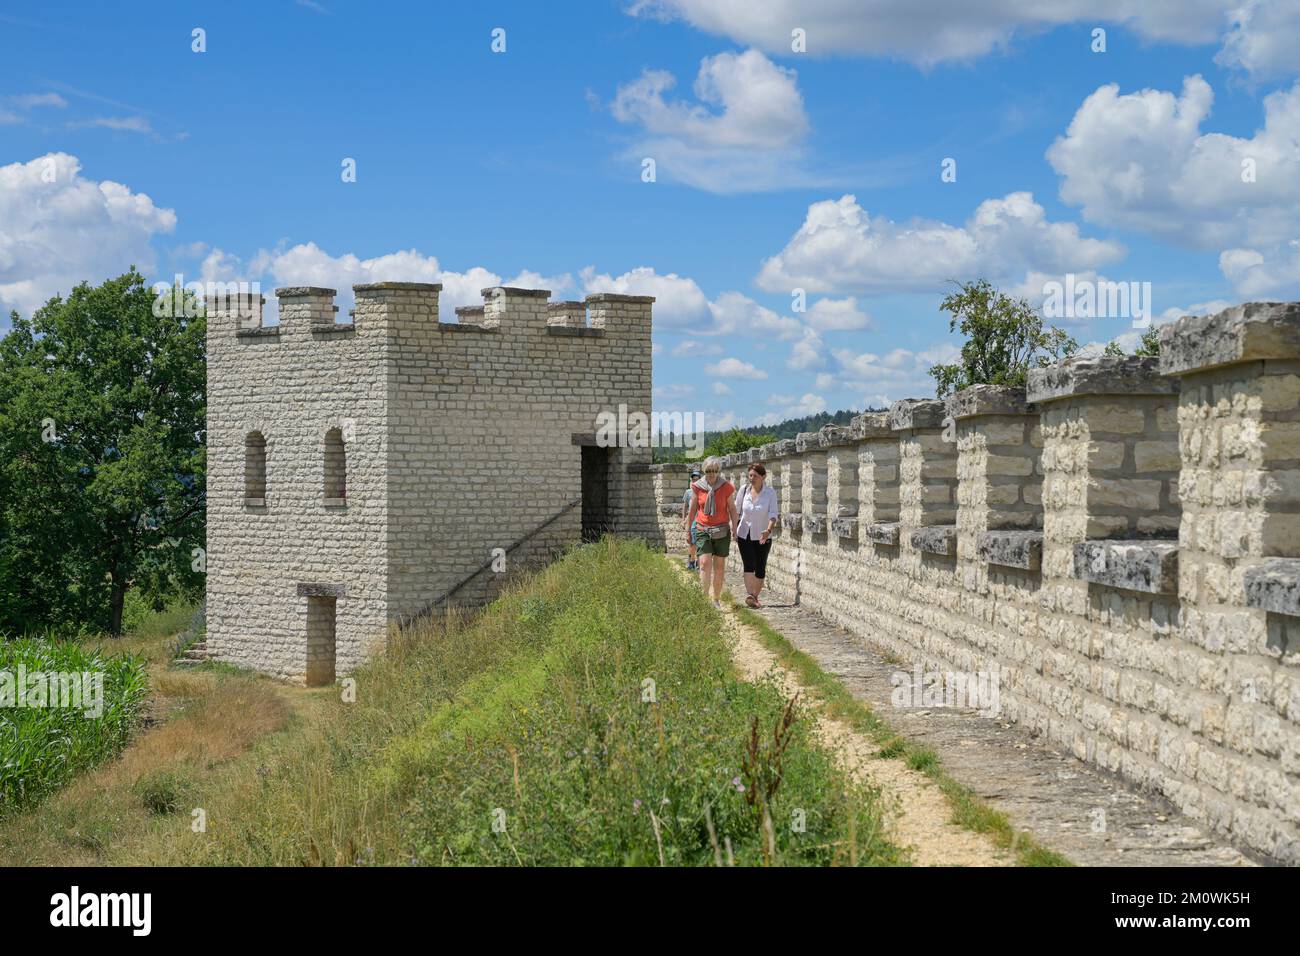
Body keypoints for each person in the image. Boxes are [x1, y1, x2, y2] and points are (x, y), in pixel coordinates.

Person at [686, 457, 737, 608]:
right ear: (704, 471)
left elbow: (732, 509)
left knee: (719, 566)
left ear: (718, 471)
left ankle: (715, 599)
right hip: (703, 529)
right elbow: (693, 510)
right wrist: (688, 530)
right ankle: (704, 600)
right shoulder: (698, 487)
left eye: (714, 471)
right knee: (704, 563)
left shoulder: (726, 487)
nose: (711, 474)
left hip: (721, 530)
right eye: (708, 471)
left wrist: (735, 527)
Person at [734, 462, 779, 607]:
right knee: (748, 564)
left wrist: (768, 530)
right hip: (744, 533)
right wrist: (733, 529)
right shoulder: (744, 490)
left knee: (760, 566)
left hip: (763, 534)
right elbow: (737, 511)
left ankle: (754, 596)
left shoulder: (770, 493)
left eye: (755, 476)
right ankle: (750, 595)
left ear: (763, 476)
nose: (752, 478)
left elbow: (773, 514)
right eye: (750, 475)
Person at [681, 468, 702, 570]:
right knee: (692, 542)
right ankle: (691, 560)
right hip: (691, 520)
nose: (695, 481)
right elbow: (684, 506)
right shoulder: (688, 492)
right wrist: (683, 519)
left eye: (697, 479)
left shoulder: (703, 492)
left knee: (699, 542)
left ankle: (698, 562)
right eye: (694, 479)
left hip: (701, 520)